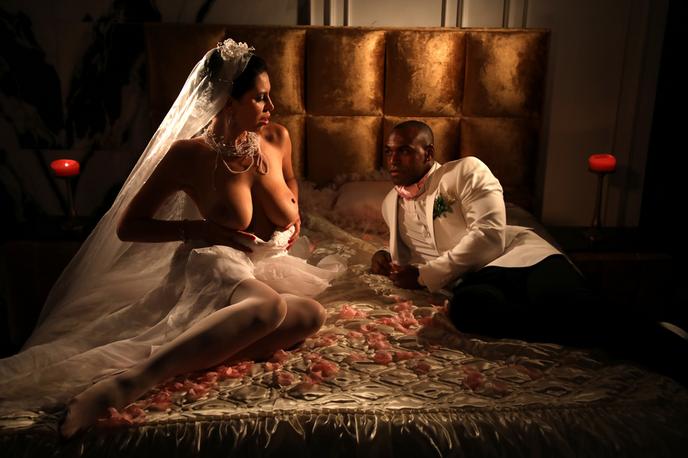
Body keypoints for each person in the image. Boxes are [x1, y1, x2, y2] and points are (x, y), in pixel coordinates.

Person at [0, 39, 342, 438]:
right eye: (260, 98)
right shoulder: (188, 155)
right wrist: (200, 230)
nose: (272, 107)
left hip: (264, 266)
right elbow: (129, 226)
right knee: (269, 309)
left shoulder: (277, 138)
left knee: (310, 315)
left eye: (269, 96)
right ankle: (129, 382)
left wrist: (295, 212)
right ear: (227, 102)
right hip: (216, 261)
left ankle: (187, 355)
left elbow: (290, 179)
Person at [371, 120, 687, 383]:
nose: (393, 160)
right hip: (472, 279)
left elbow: (489, 235)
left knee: (572, 303)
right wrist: (384, 253)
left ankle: (668, 346)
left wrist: (425, 276)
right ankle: (597, 330)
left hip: (522, 258)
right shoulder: (389, 204)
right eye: (388, 151)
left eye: (404, 151)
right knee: (468, 312)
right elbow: (411, 245)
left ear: (428, 153)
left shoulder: (465, 171)